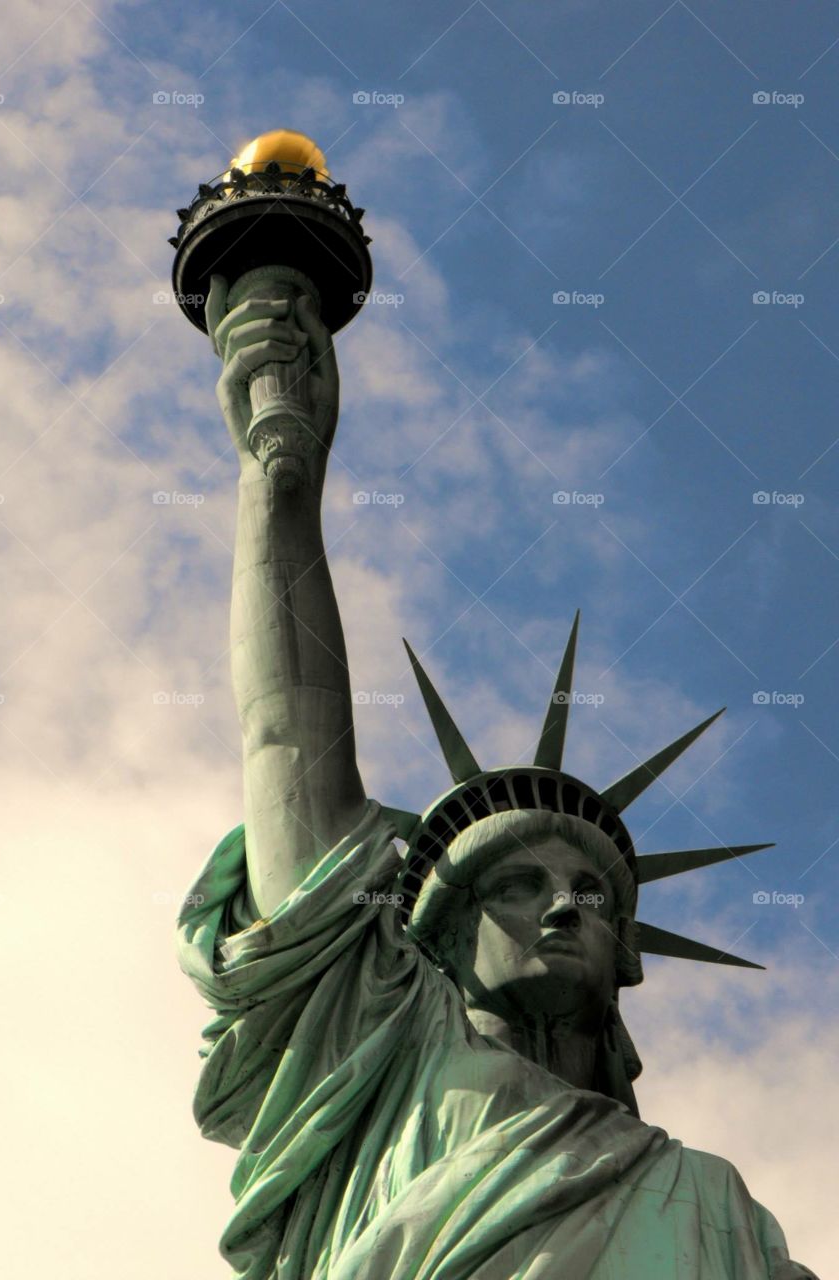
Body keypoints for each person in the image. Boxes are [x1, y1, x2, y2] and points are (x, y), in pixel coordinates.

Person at [177, 278, 817, 1279]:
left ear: (628, 960)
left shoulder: (715, 1204)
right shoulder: (377, 1054)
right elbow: (282, 742)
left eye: (590, 892)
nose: (564, 905)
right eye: (520, 884)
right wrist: (279, 465)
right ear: (439, 929)